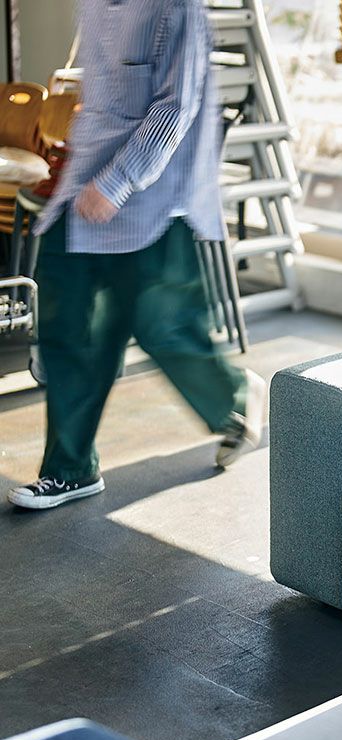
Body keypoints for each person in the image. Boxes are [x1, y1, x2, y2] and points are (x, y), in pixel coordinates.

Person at [7, 0, 265, 511]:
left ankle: (235, 398)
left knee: (162, 328)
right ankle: (70, 469)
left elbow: (176, 107)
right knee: (66, 327)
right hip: (81, 189)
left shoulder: (177, 8)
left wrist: (117, 181)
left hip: (153, 199)